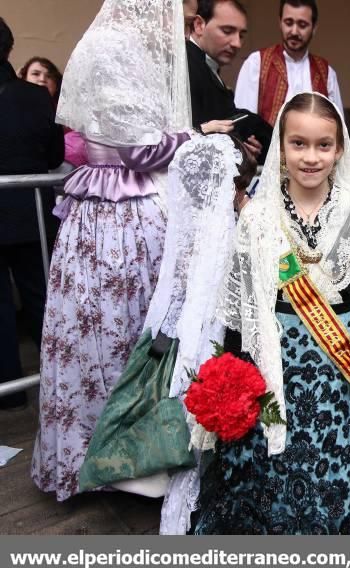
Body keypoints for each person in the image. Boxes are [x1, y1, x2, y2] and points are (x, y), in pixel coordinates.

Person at [30, 0, 230, 502]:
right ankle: (117, 460)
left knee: (98, 331)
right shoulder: (116, 49)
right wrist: (194, 136)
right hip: (120, 210)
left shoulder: (106, 44)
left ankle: (105, 457)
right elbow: (140, 150)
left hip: (101, 207)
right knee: (126, 330)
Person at [190, 92, 350, 535]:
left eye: (323, 145)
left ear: (340, 149)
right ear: (280, 148)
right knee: (270, 475)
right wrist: (230, 380)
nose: (311, 157)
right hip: (274, 368)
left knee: (339, 477)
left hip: (344, 377)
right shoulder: (257, 217)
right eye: (298, 144)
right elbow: (240, 313)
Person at [79, 134, 255, 499]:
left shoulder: (188, 231)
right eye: (241, 187)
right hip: (209, 340)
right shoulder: (232, 231)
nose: (245, 195)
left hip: (172, 335)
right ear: (226, 189)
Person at [0, 18, 64, 411]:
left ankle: (10, 393)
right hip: (31, 215)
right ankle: (57, 382)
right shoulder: (35, 96)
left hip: (22, 213)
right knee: (44, 302)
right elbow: (54, 156)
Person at [234, 0, 344, 126]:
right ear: (280, 23)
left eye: (302, 25)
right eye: (288, 23)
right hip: (267, 145)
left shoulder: (326, 73)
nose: (294, 31)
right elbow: (243, 121)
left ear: (314, 28)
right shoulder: (256, 63)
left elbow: (338, 128)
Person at [187, 0, 267, 159]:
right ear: (199, 25)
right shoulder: (188, 65)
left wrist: (243, 148)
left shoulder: (206, 66)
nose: (237, 43)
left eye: (241, 35)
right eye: (227, 31)